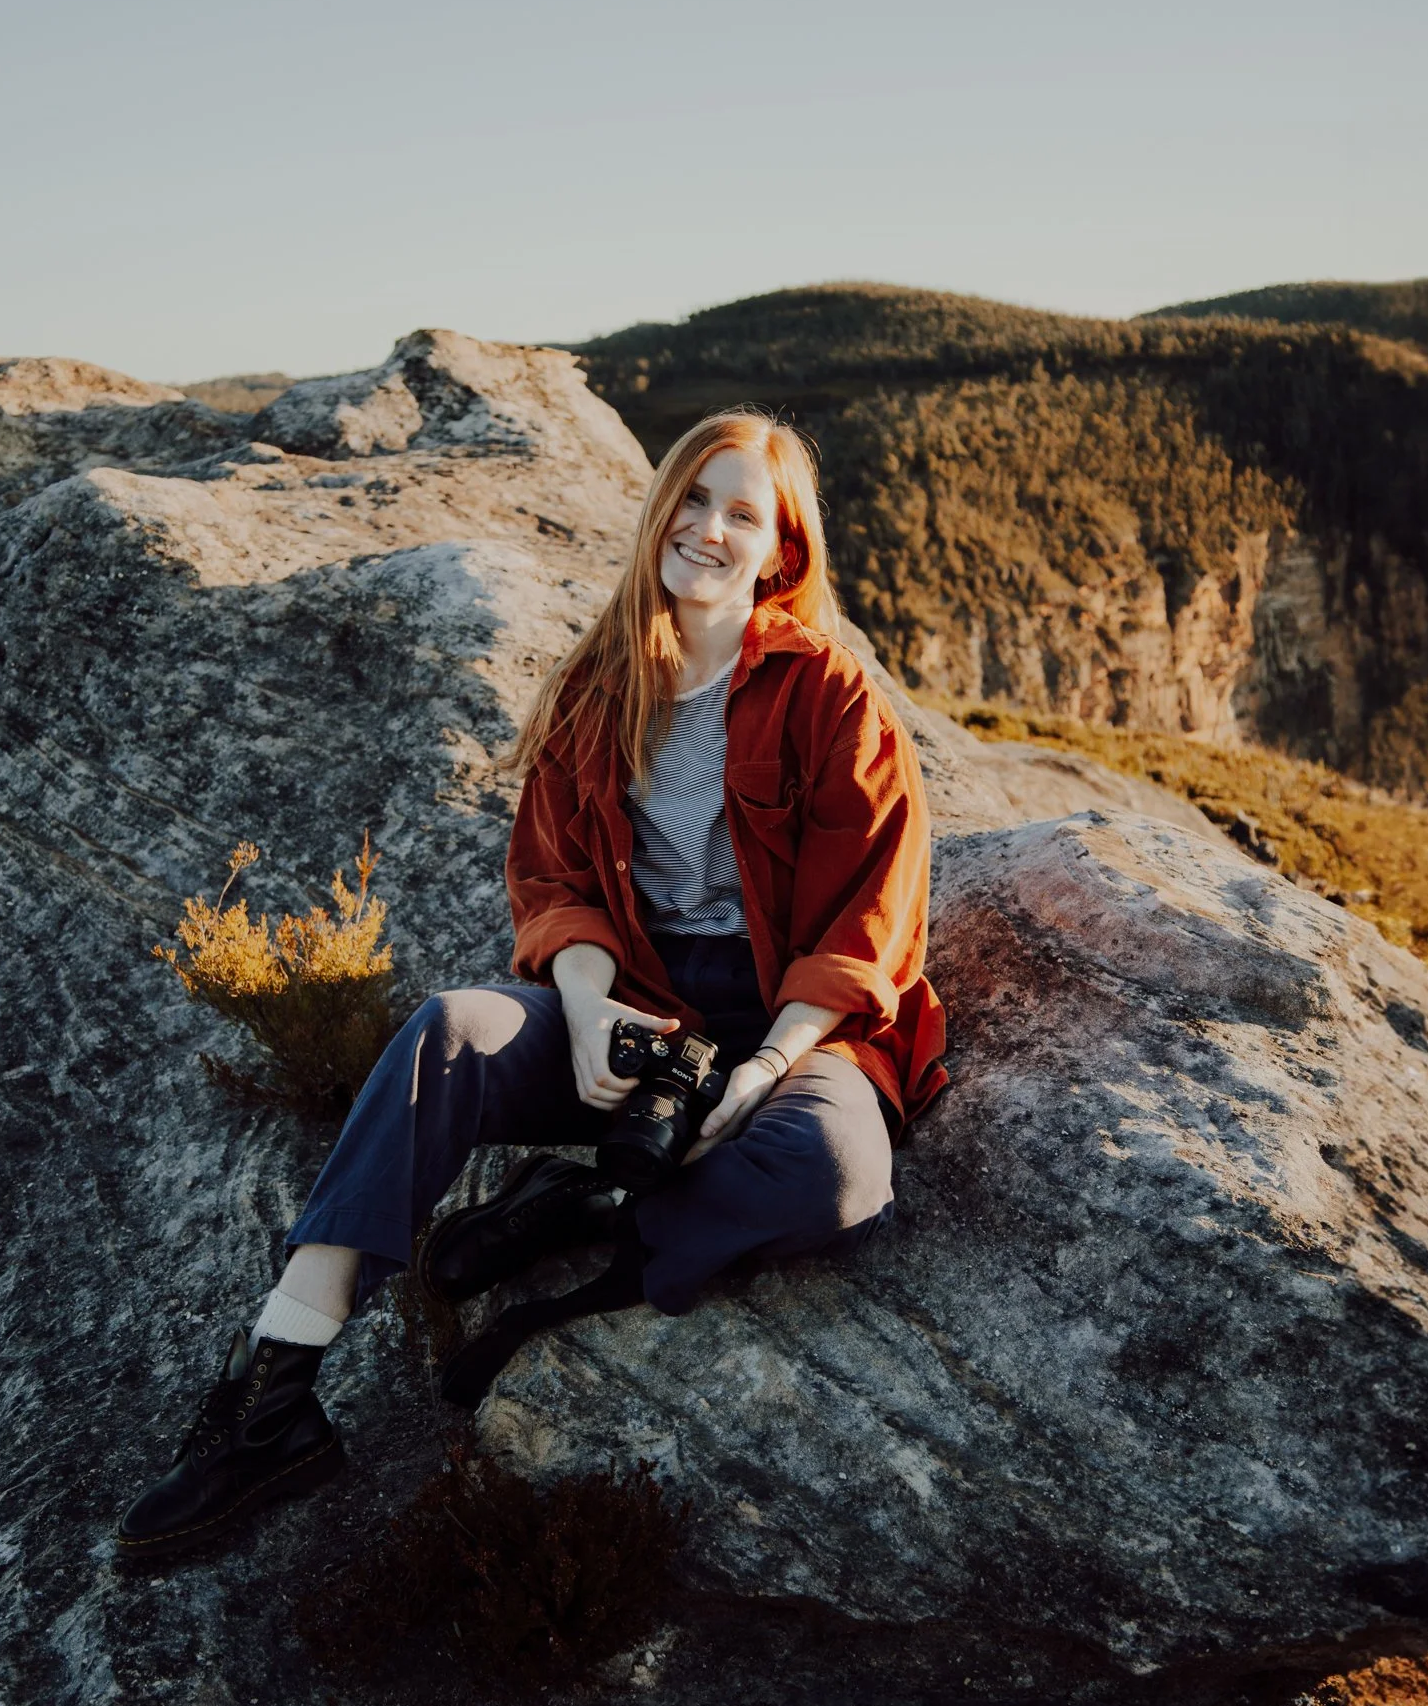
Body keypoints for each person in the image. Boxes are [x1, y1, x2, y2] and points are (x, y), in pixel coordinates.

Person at [115, 410, 947, 1565]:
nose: (709, 530)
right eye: (693, 500)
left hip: (791, 1021)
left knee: (833, 1170)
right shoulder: (598, 686)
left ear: (781, 550)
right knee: (446, 1030)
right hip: (639, 995)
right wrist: (594, 1007)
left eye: (742, 515)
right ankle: (273, 1395)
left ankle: (586, 1209)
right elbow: (552, 880)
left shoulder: (831, 698)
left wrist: (762, 1068)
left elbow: (871, 917)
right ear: (661, 509)